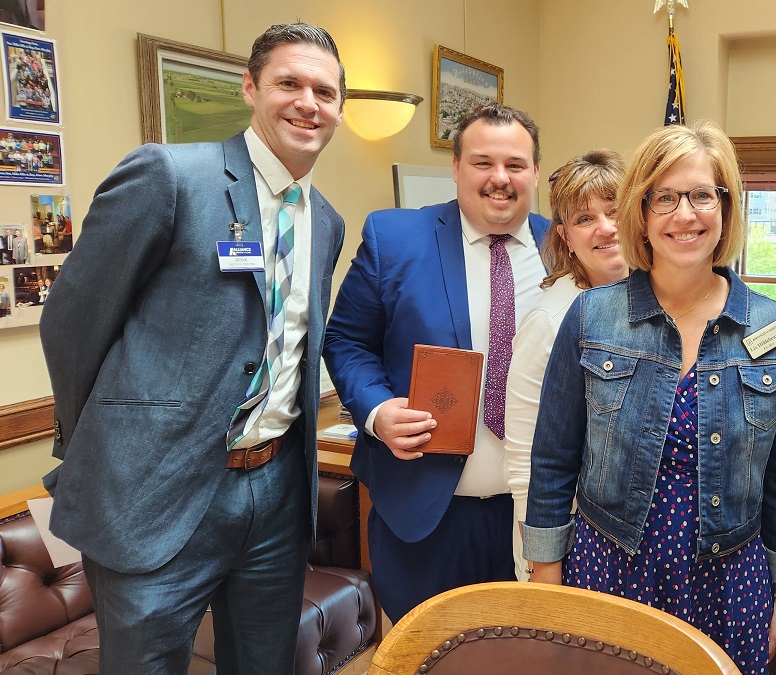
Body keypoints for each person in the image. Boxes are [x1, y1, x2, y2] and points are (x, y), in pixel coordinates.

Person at [40, 22, 346, 675]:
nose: (307, 102)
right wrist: (97, 445)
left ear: (340, 109)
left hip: (277, 490)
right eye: (288, 83)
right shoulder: (170, 176)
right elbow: (71, 321)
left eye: (324, 90)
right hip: (155, 489)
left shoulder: (326, 221)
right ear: (250, 88)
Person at [523, 121, 776, 674]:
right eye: (666, 198)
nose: (686, 214)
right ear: (642, 214)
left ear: (725, 208)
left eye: (703, 195)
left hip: (729, 583)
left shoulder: (772, 327)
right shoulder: (593, 317)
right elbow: (552, 460)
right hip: (608, 570)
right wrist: (546, 578)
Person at [324, 103, 551, 621]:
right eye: (482, 162)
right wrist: (378, 411)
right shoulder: (395, 239)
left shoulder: (566, 249)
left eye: (516, 165)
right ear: (456, 167)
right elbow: (346, 342)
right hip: (426, 514)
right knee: (428, 655)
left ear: (536, 172)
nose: (500, 178)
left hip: (534, 519)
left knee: (526, 656)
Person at [503, 149, 628, 581]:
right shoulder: (551, 321)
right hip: (574, 539)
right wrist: (538, 562)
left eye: (615, 212)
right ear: (565, 235)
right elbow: (525, 457)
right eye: (584, 219)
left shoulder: (667, 300)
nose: (606, 229)